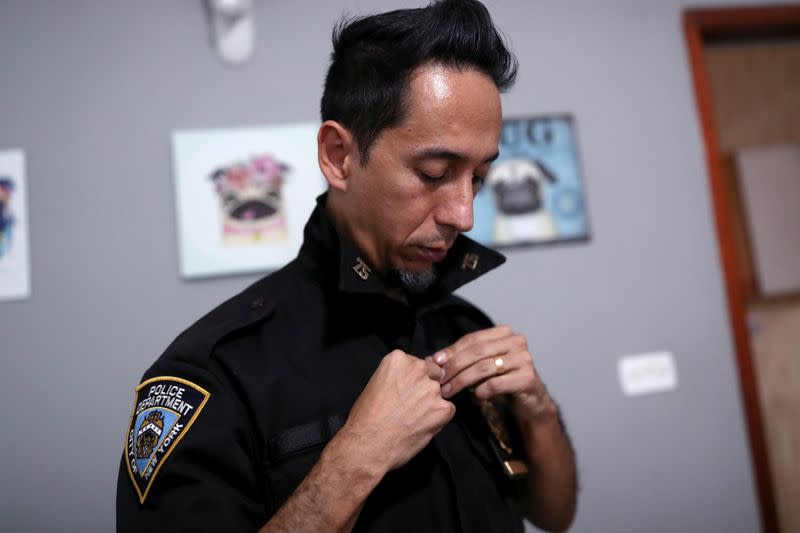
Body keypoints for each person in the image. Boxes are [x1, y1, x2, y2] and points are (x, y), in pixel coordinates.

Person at [116, 1, 577, 531]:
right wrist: (356, 458)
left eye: (478, 177)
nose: (465, 214)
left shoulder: (467, 329)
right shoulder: (215, 373)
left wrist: (538, 408)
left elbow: (554, 515)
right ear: (338, 156)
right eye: (433, 173)